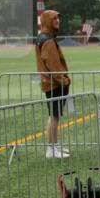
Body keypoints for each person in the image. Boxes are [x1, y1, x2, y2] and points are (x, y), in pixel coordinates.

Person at [36, 9, 70, 159]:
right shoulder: (48, 40)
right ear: (48, 21)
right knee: (54, 116)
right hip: (53, 83)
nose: (58, 21)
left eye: (58, 18)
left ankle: (54, 146)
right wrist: (64, 80)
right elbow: (53, 65)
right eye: (54, 19)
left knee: (55, 115)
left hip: (50, 82)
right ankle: (51, 148)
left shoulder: (44, 37)